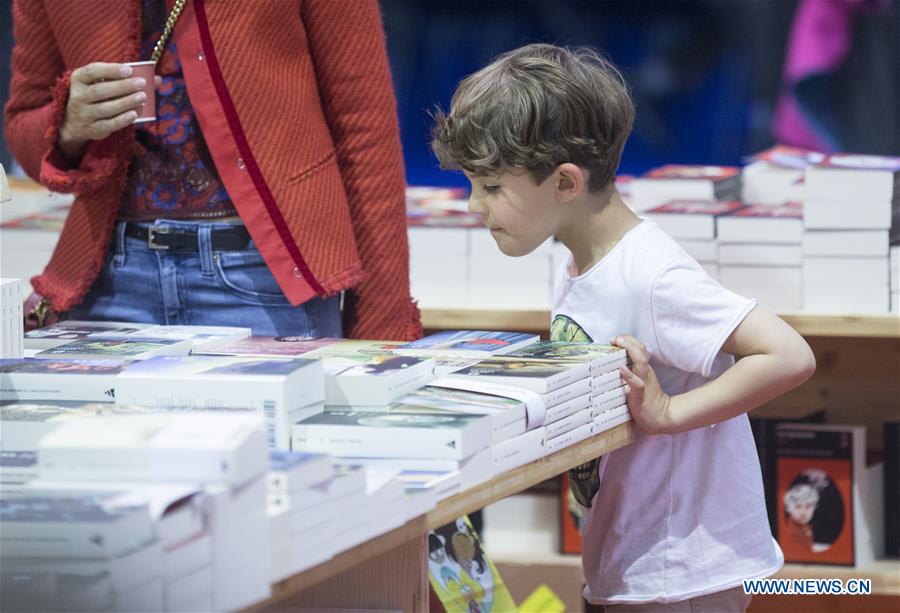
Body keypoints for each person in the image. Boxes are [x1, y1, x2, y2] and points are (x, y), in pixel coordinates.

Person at [432, 43, 816, 612]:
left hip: (682, 574)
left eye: (490, 187)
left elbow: (788, 356)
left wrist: (669, 414)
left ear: (565, 182)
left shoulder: (651, 274)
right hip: (632, 559)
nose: (473, 206)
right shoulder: (577, 260)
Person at [4, 0, 421, 340]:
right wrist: (67, 126)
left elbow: (364, 130)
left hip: (267, 274)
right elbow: (22, 125)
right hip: (111, 276)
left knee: (277, 444)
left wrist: (381, 324)